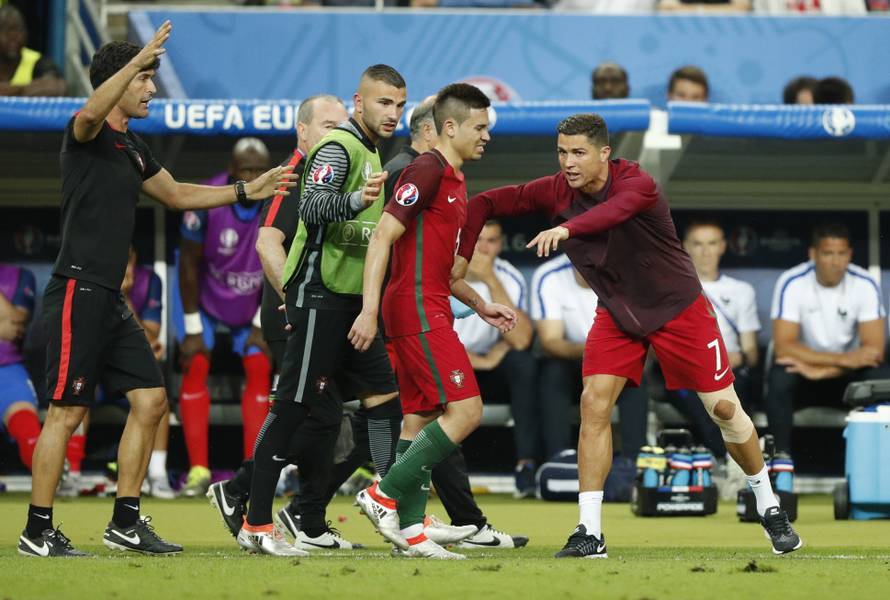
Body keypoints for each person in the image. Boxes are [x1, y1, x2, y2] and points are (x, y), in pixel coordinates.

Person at [456, 112, 801, 558]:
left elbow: (610, 213)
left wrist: (566, 228)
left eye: (578, 152)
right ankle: (589, 531)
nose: (568, 162)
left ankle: (769, 506)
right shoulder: (556, 188)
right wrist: (460, 262)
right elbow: (483, 203)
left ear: (604, 153)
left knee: (724, 410)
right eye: (561, 152)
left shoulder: (638, 184)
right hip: (618, 313)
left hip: (680, 310)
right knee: (593, 403)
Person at [17, 23, 296, 558]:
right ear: (119, 82)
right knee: (65, 414)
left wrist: (245, 189)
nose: (151, 89)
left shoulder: (131, 145)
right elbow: (91, 112)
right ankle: (37, 528)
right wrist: (136, 57)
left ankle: (125, 521)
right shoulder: (89, 131)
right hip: (78, 288)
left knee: (149, 401)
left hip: (109, 298)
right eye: (146, 79)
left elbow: (176, 194)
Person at [240, 64, 407, 557]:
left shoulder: (371, 150)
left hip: (350, 304)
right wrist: (357, 198)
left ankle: (384, 501)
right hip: (317, 295)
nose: (392, 113)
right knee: (292, 406)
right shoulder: (338, 147)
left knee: (384, 398)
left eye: (399, 104)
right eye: (383, 103)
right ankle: (254, 520)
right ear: (360, 102)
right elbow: (312, 206)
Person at [350, 83, 517, 560]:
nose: (487, 136)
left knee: (418, 418)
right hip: (416, 309)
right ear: (450, 127)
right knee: (466, 412)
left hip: (430, 303)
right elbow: (382, 236)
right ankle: (384, 495)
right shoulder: (425, 169)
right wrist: (367, 308)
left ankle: (412, 535)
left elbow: (440, 268)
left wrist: (480, 304)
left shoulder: (456, 180)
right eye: (480, 128)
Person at [208, 93, 366, 551]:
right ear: (302, 130)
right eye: (327, 125)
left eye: (342, 126)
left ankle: (300, 513)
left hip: (322, 313)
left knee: (343, 415)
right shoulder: (294, 176)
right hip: (295, 316)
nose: (336, 134)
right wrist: (295, 300)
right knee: (323, 416)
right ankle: (253, 495)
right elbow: (266, 243)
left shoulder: (330, 170)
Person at [174, 137, 274, 498]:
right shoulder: (207, 199)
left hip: (253, 305)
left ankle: (253, 470)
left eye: (259, 170)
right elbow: (187, 263)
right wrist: (192, 328)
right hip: (205, 300)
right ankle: (199, 469)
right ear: (233, 172)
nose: (254, 176)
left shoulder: (278, 199)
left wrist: (263, 326)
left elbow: (285, 270)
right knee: (196, 362)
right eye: (246, 170)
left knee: (261, 366)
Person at [61, 246, 174, 499]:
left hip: (126, 365)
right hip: (95, 366)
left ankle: (157, 474)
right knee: (76, 398)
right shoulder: (93, 281)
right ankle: (74, 473)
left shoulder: (149, 281)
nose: (127, 269)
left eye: (130, 261)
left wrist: (125, 297)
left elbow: (151, 338)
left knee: (158, 397)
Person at [767, 223, 888, 456]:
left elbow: (874, 352)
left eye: (841, 253)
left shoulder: (865, 283)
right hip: (806, 375)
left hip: (846, 379)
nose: (835, 261)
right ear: (813, 254)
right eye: (828, 253)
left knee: (880, 376)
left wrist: (822, 371)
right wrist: (845, 360)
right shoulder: (792, 281)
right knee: (780, 377)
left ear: (850, 255)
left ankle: (881, 461)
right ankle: (780, 461)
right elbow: (784, 347)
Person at [531, 254, 649, 471]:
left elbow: (640, 334)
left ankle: (635, 462)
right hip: (572, 360)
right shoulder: (550, 275)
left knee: (636, 371)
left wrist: (606, 354)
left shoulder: (628, 273)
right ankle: (558, 460)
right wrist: (597, 351)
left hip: (615, 361)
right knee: (553, 370)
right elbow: (551, 341)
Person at [456, 220, 538, 498]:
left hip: (488, 370)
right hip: (449, 361)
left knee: (523, 363)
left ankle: (526, 466)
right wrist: (478, 360)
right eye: (477, 240)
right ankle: (429, 470)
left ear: (500, 245)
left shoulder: (509, 276)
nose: (483, 248)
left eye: (491, 241)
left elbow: (521, 339)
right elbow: (432, 333)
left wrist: (491, 279)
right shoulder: (446, 270)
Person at [0, 263, 40, 473]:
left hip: (6, 367)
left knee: (30, 435)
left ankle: (54, 478)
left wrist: (6, 322)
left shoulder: (19, 275)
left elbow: (15, 323)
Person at [0, 5, 65, 97]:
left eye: (19, 29)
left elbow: (58, 87)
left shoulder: (37, 61)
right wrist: (29, 89)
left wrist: (13, 90)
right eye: (7, 30)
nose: (13, 36)